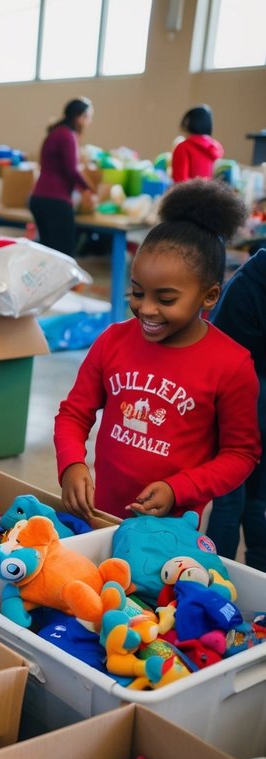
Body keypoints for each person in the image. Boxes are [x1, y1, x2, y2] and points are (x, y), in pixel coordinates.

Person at [55, 179, 260, 521]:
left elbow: (241, 454)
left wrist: (179, 488)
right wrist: (72, 463)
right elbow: (74, 414)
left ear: (209, 296)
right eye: (137, 292)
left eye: (166, 299)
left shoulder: (232, 365)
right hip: (100, 516)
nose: (147, 309)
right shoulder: (113, 341)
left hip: (171, 534)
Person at [205, 248, 266, 569]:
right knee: (244, 501)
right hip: (241, 406)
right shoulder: (248, 283)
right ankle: (226, 579)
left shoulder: (246, 281)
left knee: (241, 502)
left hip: (240, 403)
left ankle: (221, 582)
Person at [28, 98, 97, 256]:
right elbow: (72, 169)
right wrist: (90, 189)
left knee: (48, 252)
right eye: (89, 117)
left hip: (39, 198)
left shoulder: (55, 132)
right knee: (64, 254)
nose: (89, 122)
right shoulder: (68, 135)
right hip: (55, 200)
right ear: (80, 117)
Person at [172, 104, 223, 183]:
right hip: (211, 194)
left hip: (190, 194)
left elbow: (180, 182)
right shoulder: (216, 148)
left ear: (187, 123)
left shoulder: (183, 148)